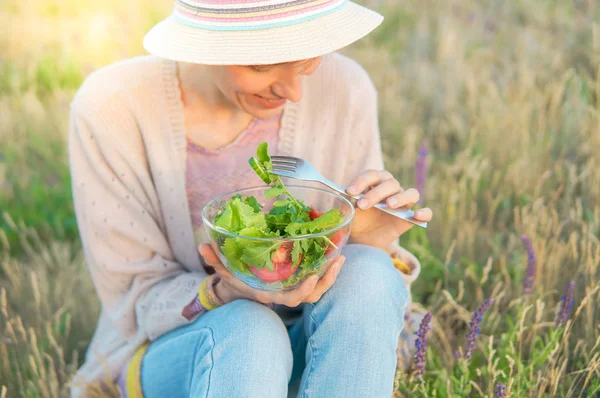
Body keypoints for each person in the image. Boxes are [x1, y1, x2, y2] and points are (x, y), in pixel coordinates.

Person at [67, 0, 433, 397]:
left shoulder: (346, 88)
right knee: (251, 327)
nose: (293, 91)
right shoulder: (113, 109)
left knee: (371, 271)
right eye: (262, 65)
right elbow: (135, 296)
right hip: (183, 352)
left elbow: (356, 294)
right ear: (206, 41)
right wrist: (228, 291)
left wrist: (366, 233)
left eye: (308, 60)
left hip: (314, 343)